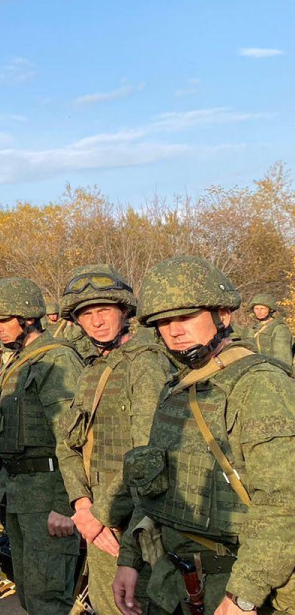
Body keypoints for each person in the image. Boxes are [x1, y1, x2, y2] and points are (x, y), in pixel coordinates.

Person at [114, 256, 295, 615]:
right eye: (163, 322)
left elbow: (284, 499)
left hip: (236, 585)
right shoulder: (176, 387)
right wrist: (129, 559)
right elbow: (152, 483)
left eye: (185, 317)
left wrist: (244, 594)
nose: (174, 330)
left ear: (222, 316)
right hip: (175, 581)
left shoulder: (259, 384)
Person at [53, 265, 174, 615]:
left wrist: (100, 513)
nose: (96, 321)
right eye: (86, 314)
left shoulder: (145, 364)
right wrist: (81, 504)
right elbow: (68, 443)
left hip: (135, 522)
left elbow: (148, 454)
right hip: (96, 516)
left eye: (104, 310)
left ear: (124, 312)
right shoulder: (92, 369)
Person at [0, 277, 83, 615]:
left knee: (48, 598)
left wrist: (66, 505)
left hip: (48, 495)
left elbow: (72, 439)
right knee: (30, 593)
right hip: (19, 492)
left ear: (28, 317)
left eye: (2, 320)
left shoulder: (56, 360)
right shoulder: (17, 363)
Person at [244, 293, 293, 371]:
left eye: (262, 308)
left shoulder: (279, 329)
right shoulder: (252, 328)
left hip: (273, 370)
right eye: (256, 308)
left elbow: (283, 359)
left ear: (270, 310)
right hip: (253, 369)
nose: (259, 312)